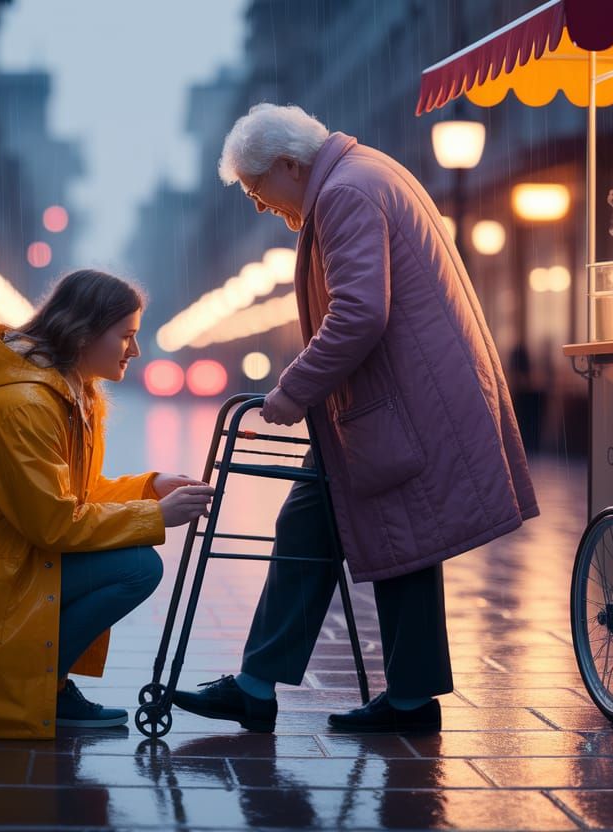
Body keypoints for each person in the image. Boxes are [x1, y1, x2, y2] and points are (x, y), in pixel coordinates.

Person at [172, 104, 538, 734]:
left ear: (290, 164)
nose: (261, 208)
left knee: (392, 540)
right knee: (341, 531)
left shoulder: (344, 194)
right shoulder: (366, 175)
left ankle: (384, 699)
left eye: (260, 191)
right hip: (390, 404)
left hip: (392, 406)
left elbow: (359, 314)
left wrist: (292, 391)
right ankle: (286, 688)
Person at [0, 270, 215, 738]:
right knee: (137, 568)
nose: (134, 351)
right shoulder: (28, 404)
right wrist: (155, 516)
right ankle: (30, 681)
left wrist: (148, 489)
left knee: (131, 564)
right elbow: (53, 524)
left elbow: (67, 497)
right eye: (126, 337)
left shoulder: (67, 392)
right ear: (85, 333)